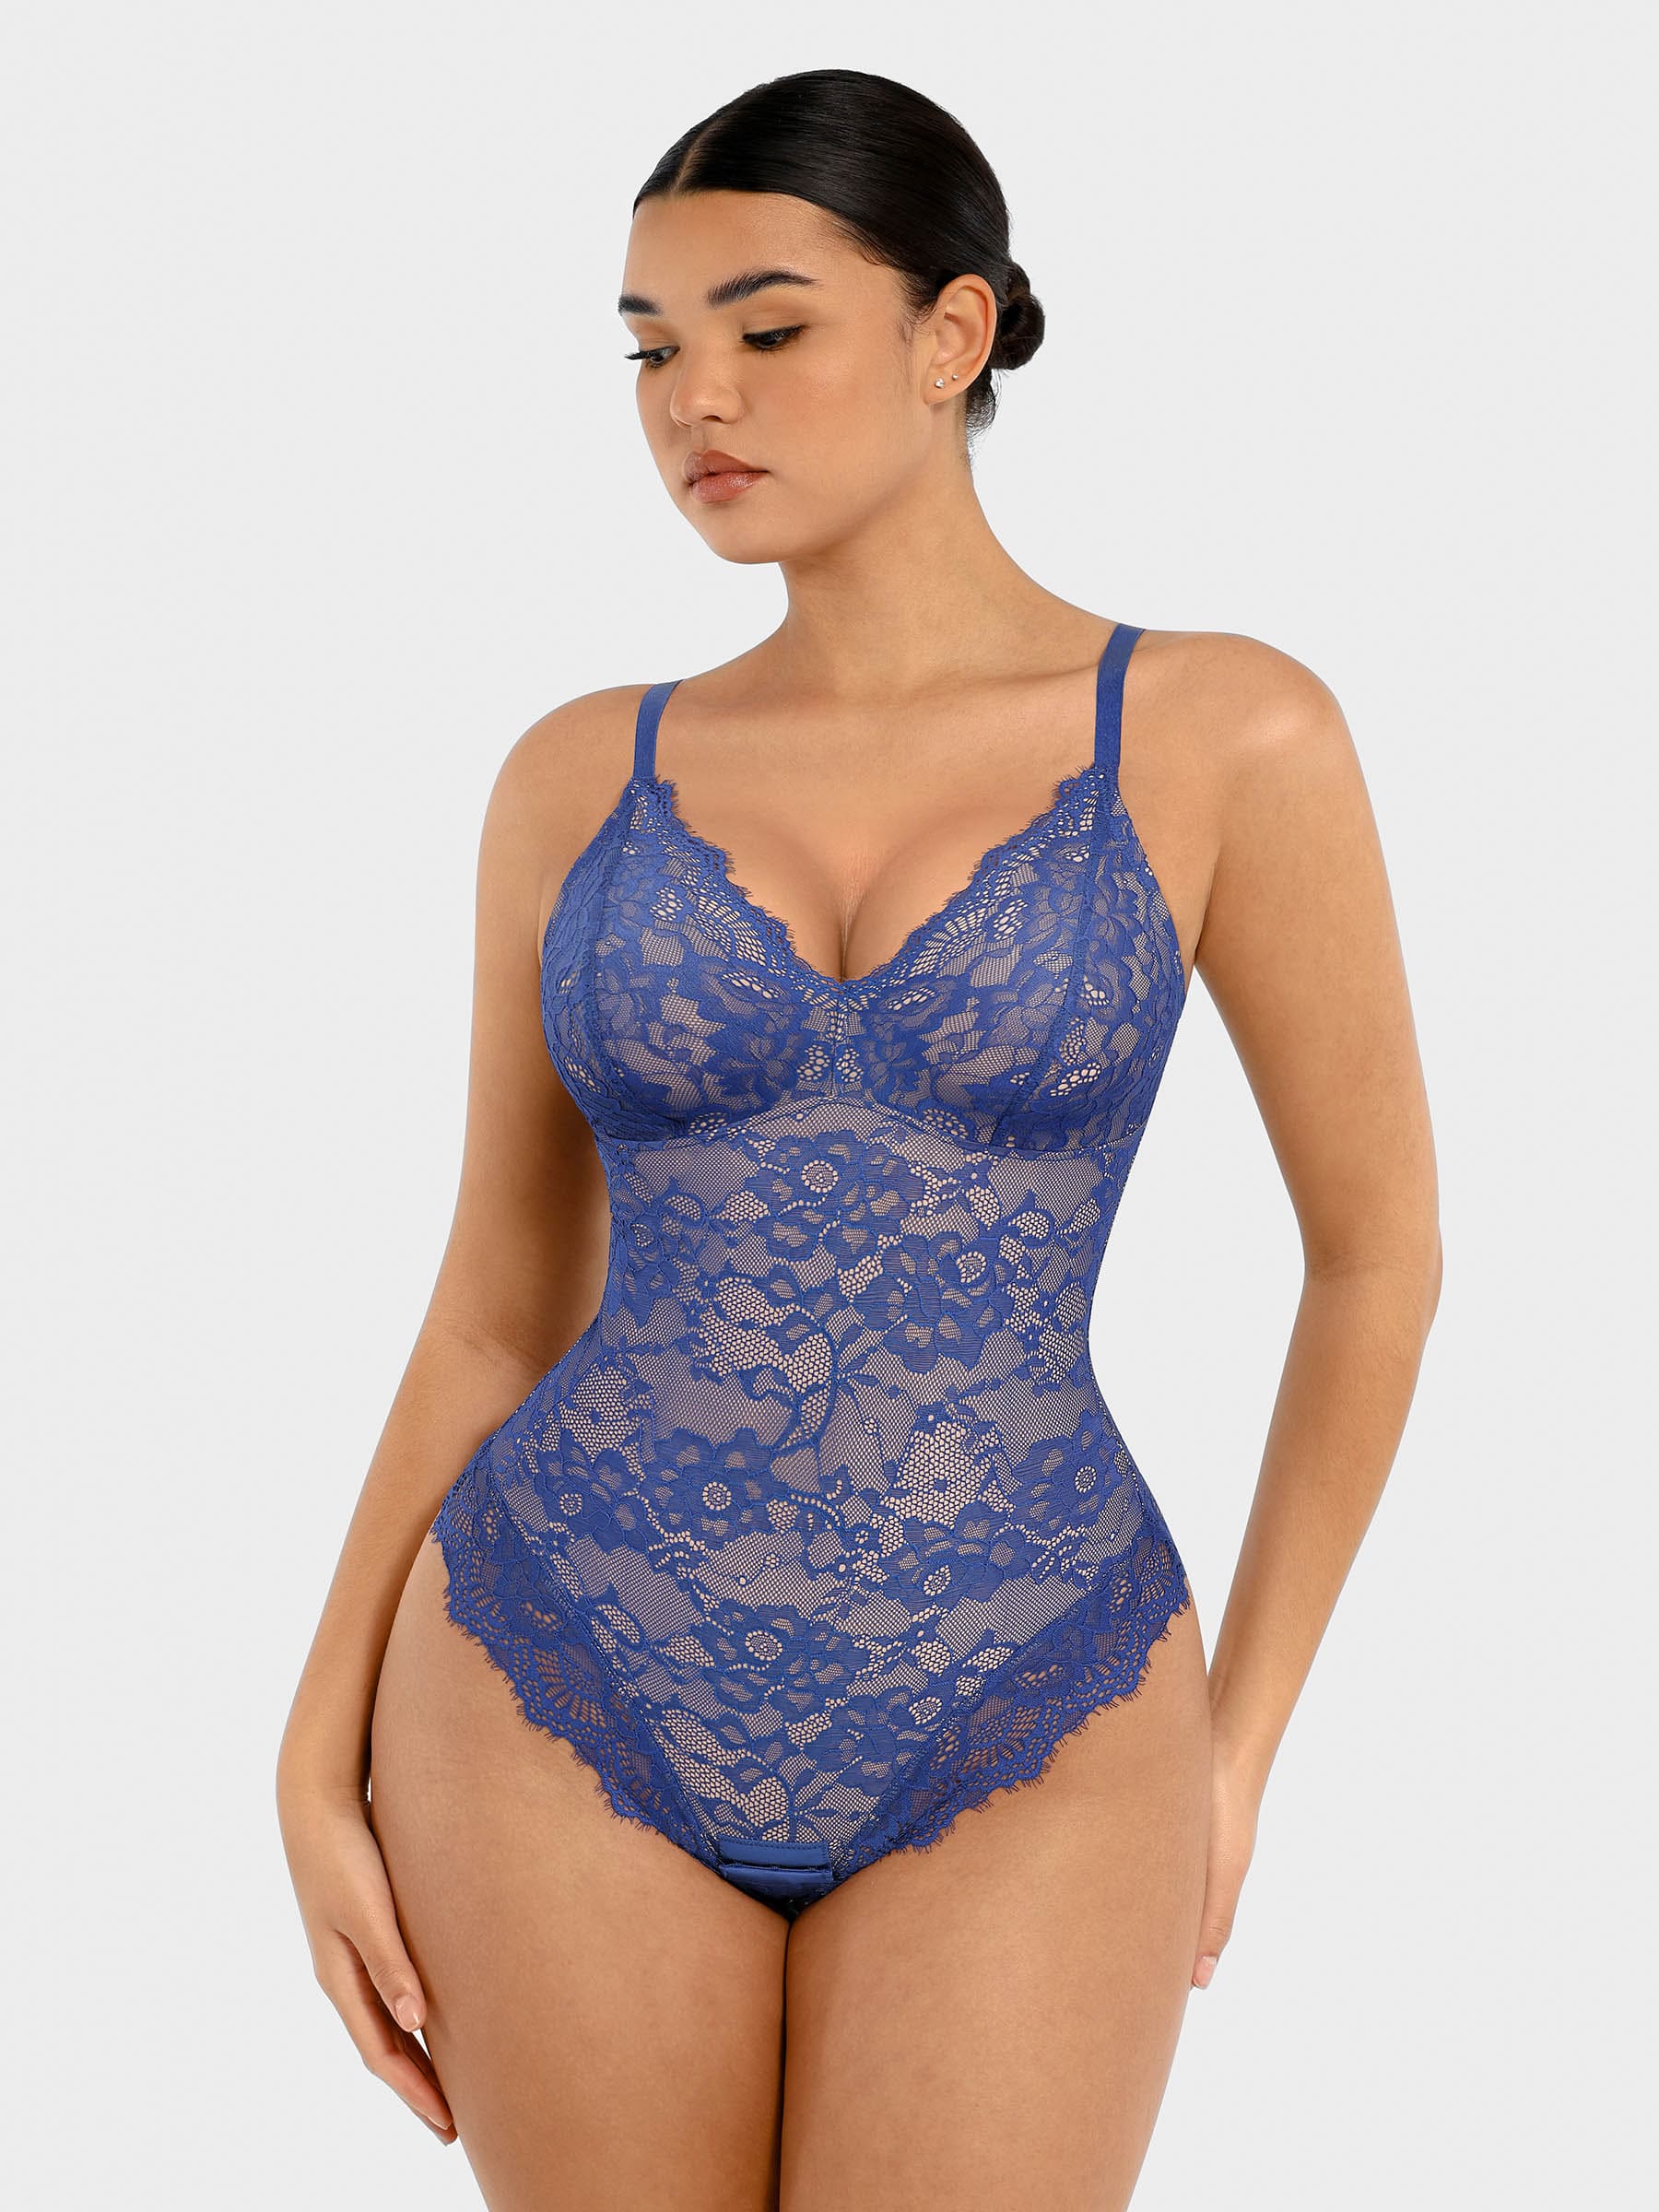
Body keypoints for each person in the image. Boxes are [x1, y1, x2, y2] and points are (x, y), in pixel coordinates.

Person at [276, 66, 1441, 2210]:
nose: (694, 400)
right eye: (649, 349)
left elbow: (1380, 1257)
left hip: (1036, 1680)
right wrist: (308, 1744)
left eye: (767, 327)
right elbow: (496, 1307)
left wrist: (1244, 1738)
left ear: (951, 331)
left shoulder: (1225, 730)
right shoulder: (576, 776)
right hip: (549, 1664)